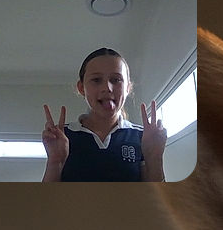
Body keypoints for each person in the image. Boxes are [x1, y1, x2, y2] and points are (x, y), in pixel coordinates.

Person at [42, 48, 167, 182]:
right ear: (81, 88)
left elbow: (155, 199)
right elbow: (47, 201)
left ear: (128, 88)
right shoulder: (62, 135)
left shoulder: (143, 136)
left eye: (116, 80)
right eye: (96, 80)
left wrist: (155, 158)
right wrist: (55, 162)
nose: (107, 87)